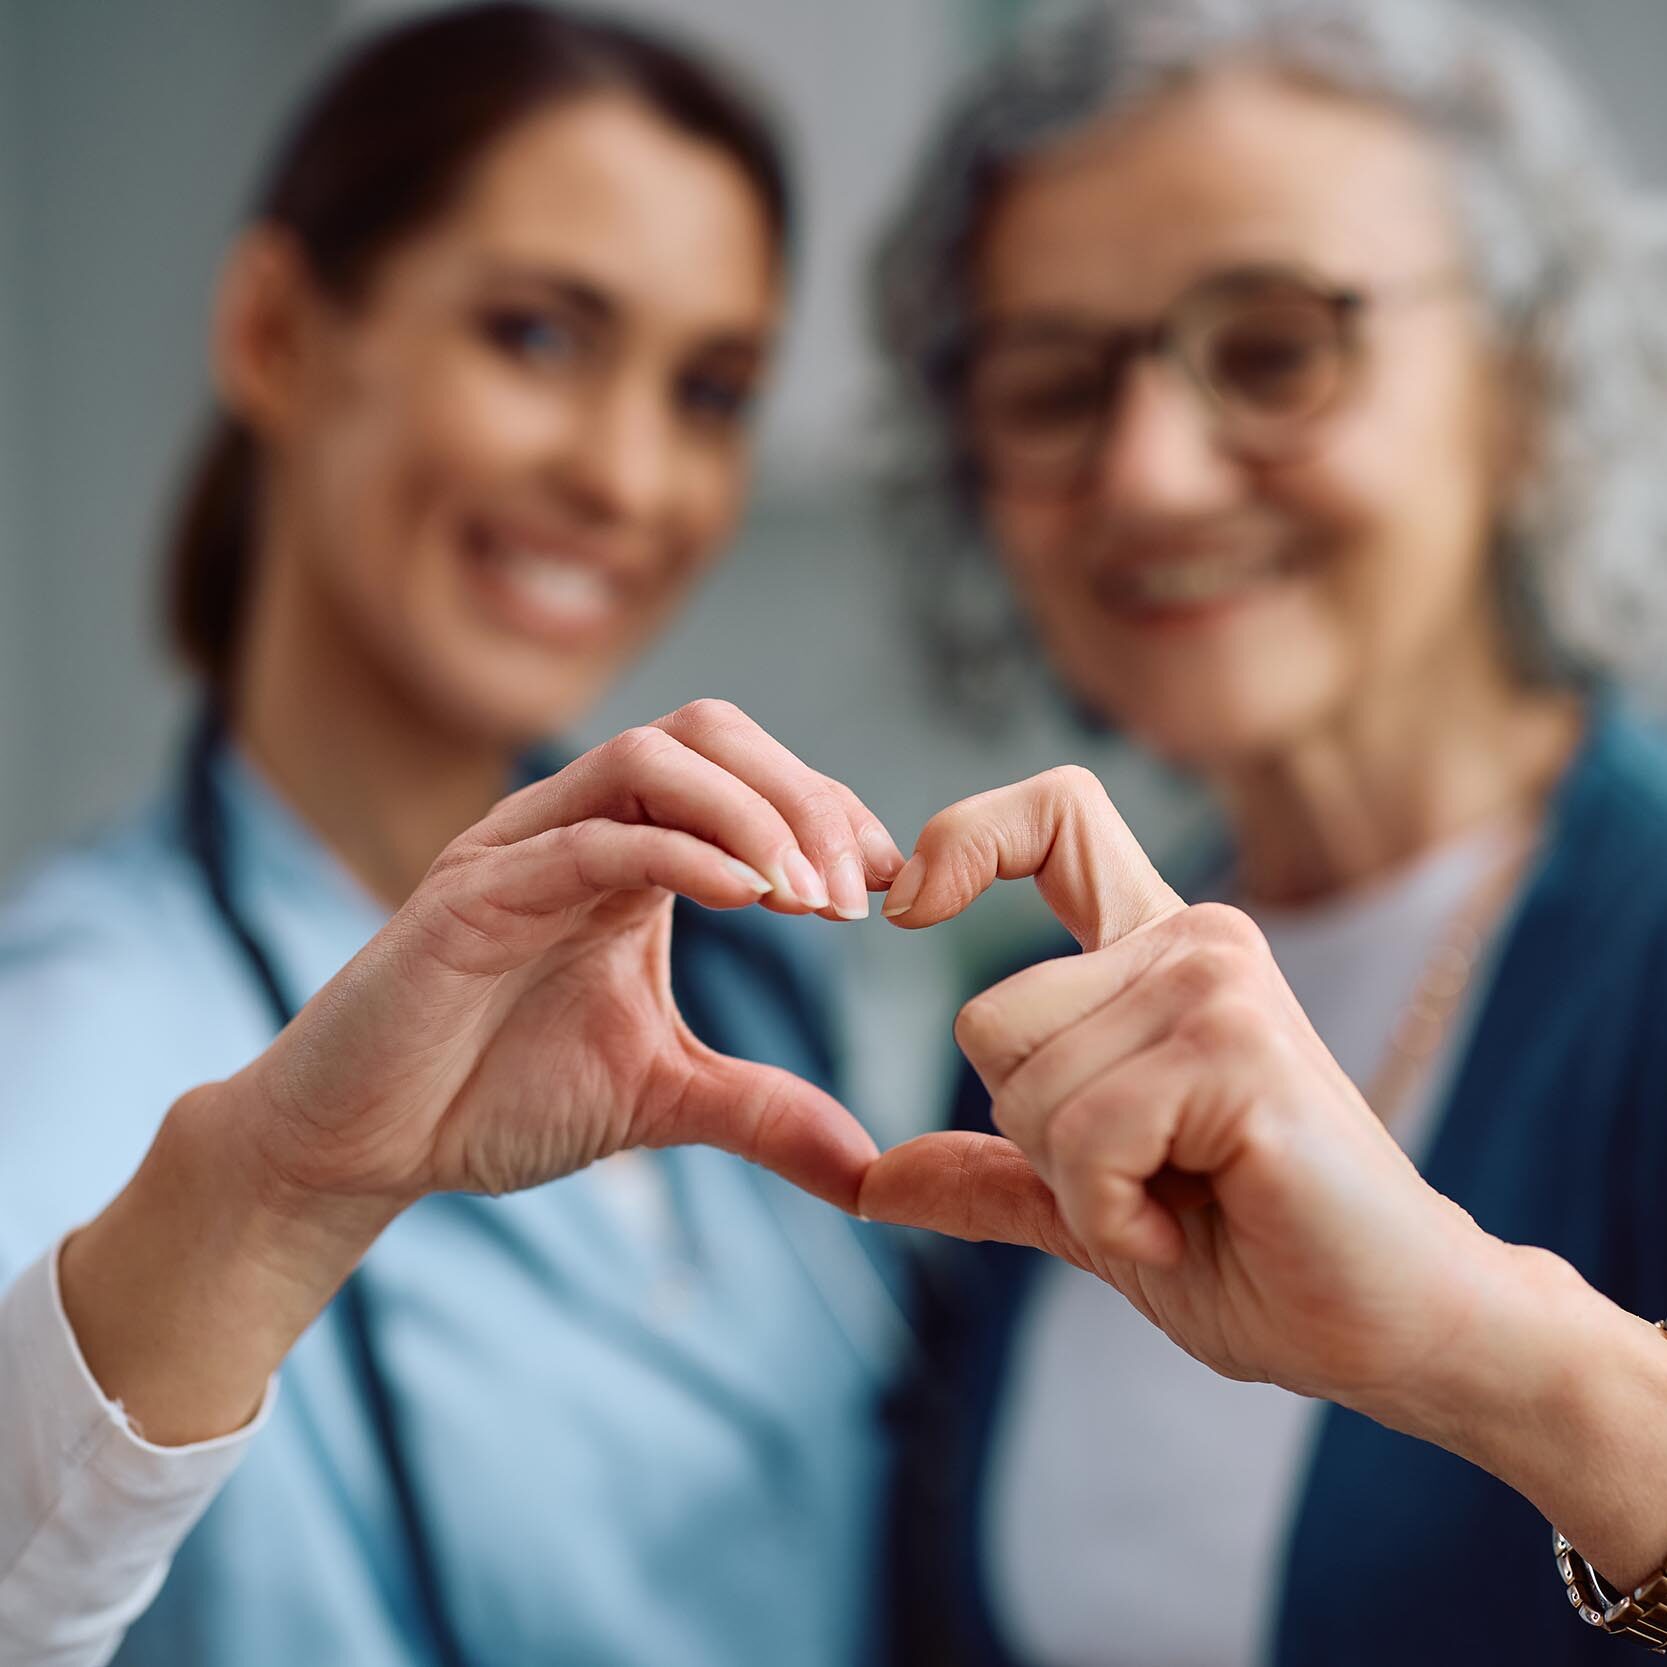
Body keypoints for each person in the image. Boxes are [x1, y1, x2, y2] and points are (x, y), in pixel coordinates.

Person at [0, 7, 912, 1664]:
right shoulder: (79, 1026)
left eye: (709, 391)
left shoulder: (750, 967)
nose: (629, 475)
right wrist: (269, 1204)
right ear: (276, 331)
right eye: (540, 338)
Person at [869, 0, 1667, 1660]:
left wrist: (1507, 1366)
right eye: (1053, 383)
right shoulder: (1031, 1040)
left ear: (1522, 387)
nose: (1150, 474)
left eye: (1279, 346)